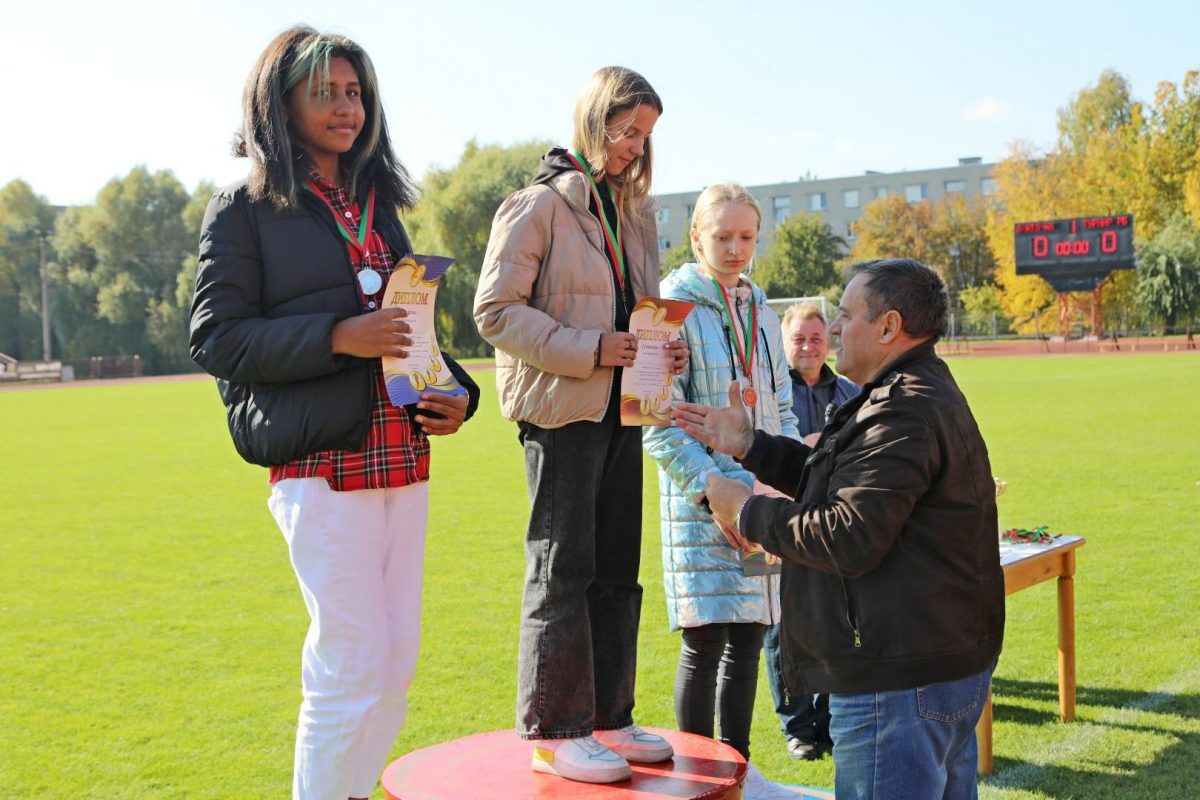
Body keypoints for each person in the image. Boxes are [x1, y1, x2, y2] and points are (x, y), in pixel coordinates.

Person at [189, 26, 478, 800]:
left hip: (402, 458)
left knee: (394, 666)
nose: (347, 107)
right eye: (325, 93)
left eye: (355, 93)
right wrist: (338, 336)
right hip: (319, 465)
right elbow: (216, 338)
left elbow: (410, 326)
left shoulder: (377, 206)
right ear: (279, 103)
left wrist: (459, 395)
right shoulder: (242, 208)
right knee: (349, 666)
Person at [674, 258, 1004, 800]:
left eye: (847, 316)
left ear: (889, 327)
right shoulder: (910, 392)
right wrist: (752, 446)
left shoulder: (903, 411)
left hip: (898, 678)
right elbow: (843, 482)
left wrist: (747, 511)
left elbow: (847, 535)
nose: (833, 330)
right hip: (927, 662)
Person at [474, 67, 687, 785]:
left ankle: (609, 718)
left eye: (646, 135)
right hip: (561, 411)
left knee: (617, 571)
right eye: (628, 130)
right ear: (594, 120)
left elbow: (639, 313)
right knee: (561, 569)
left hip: (626, 408)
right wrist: (594, 349)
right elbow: (495, 313)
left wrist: (664, 348)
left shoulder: (634, 210)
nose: (636, 146)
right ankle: (554, 731)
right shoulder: (536, 205)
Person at [642, 184, 797, 774]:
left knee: (751, 638)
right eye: (723, 235)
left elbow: (783, 410)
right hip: (702, 502)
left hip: (761, 499)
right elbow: (655, 423)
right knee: (705, 640)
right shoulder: (665, 311)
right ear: (696, 236)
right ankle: (697, 775)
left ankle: (738, 773)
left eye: (747, 236)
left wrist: (776, 484)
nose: (736, 248)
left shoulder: (764, 312)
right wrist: (713, 492)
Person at [763, 302, 857, 761]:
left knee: (832, 622)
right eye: (798, 338)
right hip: (781, 522)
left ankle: (828, 721)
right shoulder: (771, 391)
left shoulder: (851, 391)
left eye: (816, 338)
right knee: (781, 628)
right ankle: (797, 727)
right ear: (784, 342)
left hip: (833, 523)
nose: (808, 347)